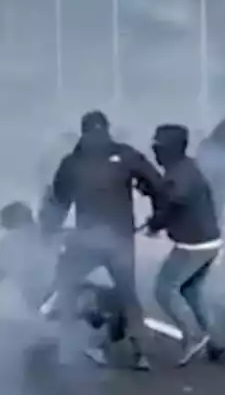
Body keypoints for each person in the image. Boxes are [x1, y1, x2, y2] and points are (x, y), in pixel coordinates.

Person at [40, 111, 166, 370]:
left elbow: (59, 202)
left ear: (83, 132)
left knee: (65, 283)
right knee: (128, 293)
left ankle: (68, 347)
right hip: (120, 238)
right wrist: (157, 218)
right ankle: (142, 352)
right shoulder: (126, 155)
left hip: (87, 238)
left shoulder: (72, 162)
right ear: (107, 129)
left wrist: (48, 230)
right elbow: (157, 184)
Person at [146, 124, 225, 366]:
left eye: (158, 147)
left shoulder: (179, 175)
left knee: (164, 289)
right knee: (192, 291)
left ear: (170, 149)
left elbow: (173, 201)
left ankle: (194, 336)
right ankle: (217, 343)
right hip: (209, 241)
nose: (155, 152)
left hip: (194, 244)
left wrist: (155, 222)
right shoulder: (185, 167)